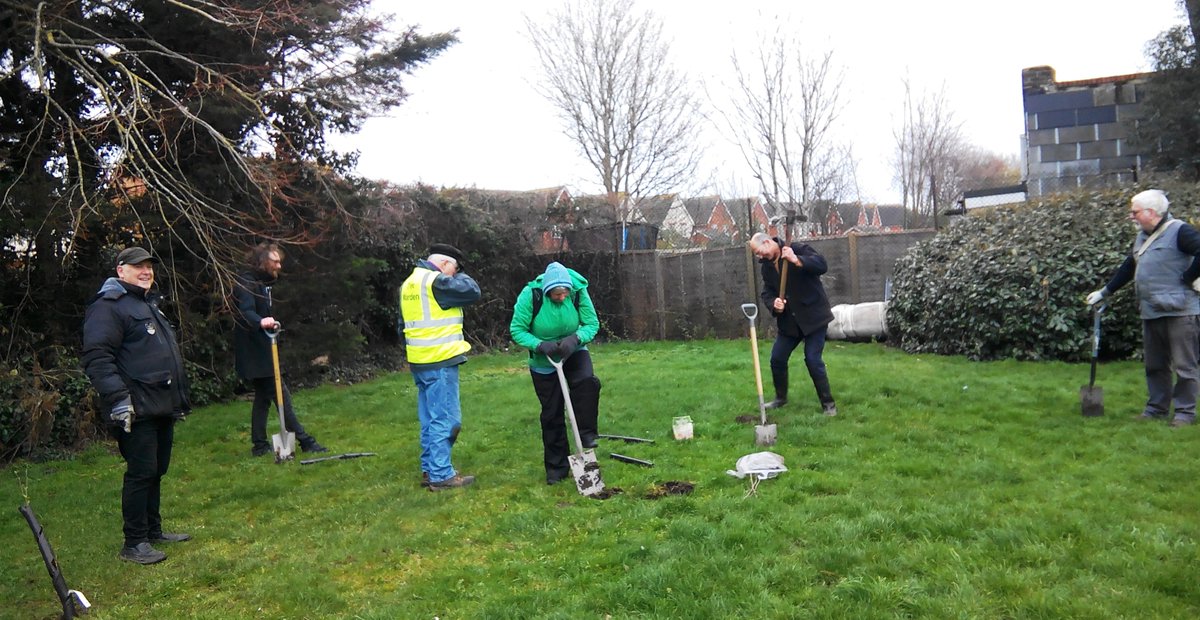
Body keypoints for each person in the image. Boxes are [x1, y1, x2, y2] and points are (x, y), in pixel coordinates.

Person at [81, 247, 192, 564]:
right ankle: (134, 543)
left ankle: (152, 531)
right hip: (134, 407)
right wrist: (117, 399)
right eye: (137, 266)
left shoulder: (145, 304)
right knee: (141, 472)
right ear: (120, 270)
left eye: (149, 267)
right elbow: (97, 357)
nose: (146, 271)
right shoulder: (109, 307)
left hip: (160, 404)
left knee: (157, 470)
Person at [1086, 189, 1200, 427]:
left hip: (1180, 312)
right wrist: (1105, 292)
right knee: (1155, 364)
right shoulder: (1142, 237)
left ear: (1151, 212)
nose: (1131, 216)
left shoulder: (1180, 231)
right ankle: (1156, 409)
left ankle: (1184, 414)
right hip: (1151, 310)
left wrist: (1188, 277)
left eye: (1135, 212)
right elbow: (1130, 266)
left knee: (1184, 366)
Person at [509, 262, 603, 485]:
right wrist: (539, 345)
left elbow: (592, 323)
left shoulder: (578, 291)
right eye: (557, 294)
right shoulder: (531, 295)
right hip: (544, 359)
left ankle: (587, 432)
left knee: (587, 383)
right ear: (547, 291)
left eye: (564, 294)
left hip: (574, 351)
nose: (562, 297)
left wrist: (576, 338)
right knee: (551, 413)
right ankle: (556, 468)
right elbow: (517, 329)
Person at [399, 244, 482, 491]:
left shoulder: (409, 283)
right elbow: (472, 291)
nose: (454, 275)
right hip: (440, 360)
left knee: (429, 419)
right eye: (454, 269)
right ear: (445, 264)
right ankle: (441, 474)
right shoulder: (436, 281)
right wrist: (459, 273)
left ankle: (430, 469)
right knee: (446, 419)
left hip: (419, 360)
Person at [233, 242, 328, 457]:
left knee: (262, 398)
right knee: (281, 396)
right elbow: (244, 312)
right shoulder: (247, 283)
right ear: (262, 261)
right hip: (255, 352)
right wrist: (262, 321)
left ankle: (259, 445)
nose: (278, 266)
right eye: (275, 261)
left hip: (263, 348)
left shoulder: (260, 282)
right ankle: (305, 441)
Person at [748, 232, 838, 416]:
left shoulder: (796, 249)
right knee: (777, 359)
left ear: (767, 242)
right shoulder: (766, 267)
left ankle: (828, 404)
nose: (759, 256)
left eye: (759, 252)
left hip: (814, 317)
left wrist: (797, 260)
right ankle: (781, 398)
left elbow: (822, 265)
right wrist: (774, 303)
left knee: (813, 359)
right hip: (789, 322)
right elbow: (767, 292)